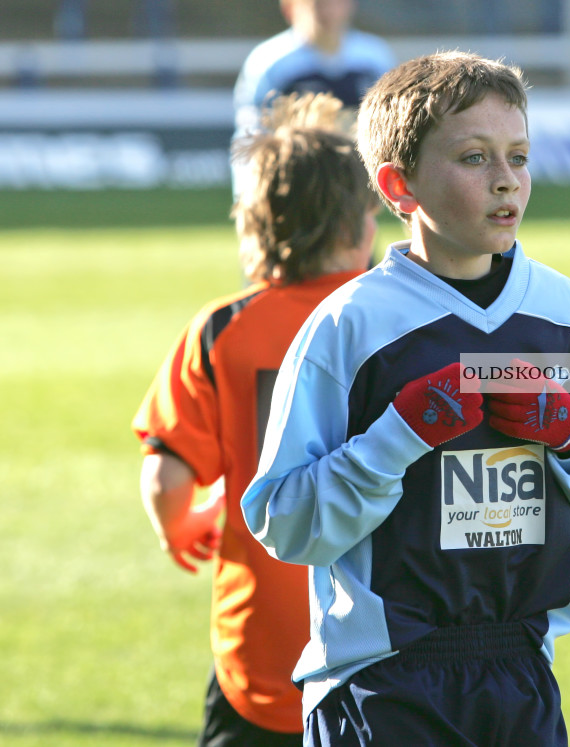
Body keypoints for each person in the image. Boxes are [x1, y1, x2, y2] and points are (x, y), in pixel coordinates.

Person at [241, 51, 570, 746]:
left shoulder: (567, 312)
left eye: (518, 156)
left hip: (521, 670)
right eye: (472, 158)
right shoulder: (349, 328)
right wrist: (394, 437)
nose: (505, 181)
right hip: (382, 681)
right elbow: (284, 519)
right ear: (399, 187)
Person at [132, 93, 380, 747]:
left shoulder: (222, 331)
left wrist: (180, 526)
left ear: (257, 225)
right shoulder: (400, 318)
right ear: (362, 220)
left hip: (263, 661)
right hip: (386, 651)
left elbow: (164, 478)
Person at [232, 0, 396, 193]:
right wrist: (246, 189)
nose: (327, 12)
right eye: (317, 4)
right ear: (290, 9)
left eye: (334, 3)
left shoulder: (374, 57)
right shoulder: (269, 61)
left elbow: (390, 123)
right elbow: (252, 129)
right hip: (295, 180)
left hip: (358, 179)